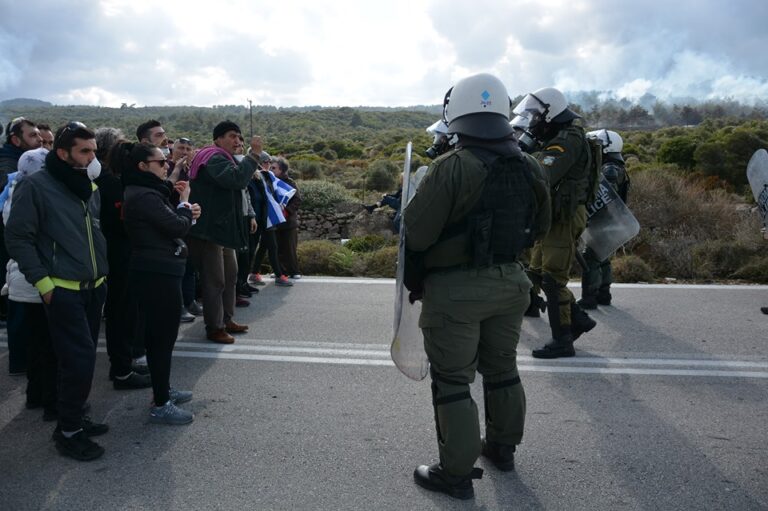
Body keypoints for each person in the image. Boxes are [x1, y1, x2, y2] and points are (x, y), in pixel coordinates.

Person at [404, 73, 550, 500]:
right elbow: (540, 227)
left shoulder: (452, 166)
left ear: (456, 113)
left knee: (452, 380)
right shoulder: (529, 164)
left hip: (457, 291)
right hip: (511, 283)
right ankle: (502, 448)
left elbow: (416, 233)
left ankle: (455, 474)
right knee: (502, 368)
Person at [6, 121, 109, 461]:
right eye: (85, 151)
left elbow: (93, 233)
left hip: (93, 287)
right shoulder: (35, 186)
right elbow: (18, 238)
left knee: (82, 359)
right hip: (61, 289)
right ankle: (68, 431)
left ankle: (75, 416)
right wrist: (44, 284)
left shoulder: (88, 186)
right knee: (77, 361)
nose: (92, 157)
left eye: (94, 150)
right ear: (62, 153)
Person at [512, 87, 597, 359]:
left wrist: (520, 155)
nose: (533, 120)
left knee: (552, 279)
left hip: (565, 216)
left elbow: (544, 172)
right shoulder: (556, 136)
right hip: (554, 215)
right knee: (537, 271)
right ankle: (579, 320)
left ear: (551, 113)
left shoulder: (568, 139)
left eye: (536, 114)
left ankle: (563, 341)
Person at [118, 141, 200, 424]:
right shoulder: (144, 196)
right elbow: (177, 226)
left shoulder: (147, 192)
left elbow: (172, 224)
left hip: (160, 269)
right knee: (161, 338)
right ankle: (161, 402)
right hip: (157, 272)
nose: (167, 165)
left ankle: (162, 390)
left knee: (161, 337)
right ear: (143, 166)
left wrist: (184, 212)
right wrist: (186, 205)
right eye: (161, 162)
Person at [187, 121, 257, 344]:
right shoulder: (214, 158)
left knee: (230, 275)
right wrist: (253, 157)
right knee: (215, 280)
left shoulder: (219, 157)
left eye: (239, 137)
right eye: (232, 136)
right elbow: (236, 180)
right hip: (210, 232)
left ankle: (226, 320)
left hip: (221, 231)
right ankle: (214, 327)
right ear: (218, 139)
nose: (237, 141)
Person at [95, 127, 154, 389]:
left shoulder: (115, 181)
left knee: (127, 312)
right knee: (120, 312)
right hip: (118, 257)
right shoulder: (111, 183)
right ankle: (121, 370)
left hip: (124, 255)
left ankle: (124, 363)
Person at [3, 147, 57, 419]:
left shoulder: (16, 188)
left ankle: (36, 394)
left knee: (38, 344)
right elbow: (27, 241)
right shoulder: (31, 193)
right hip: (35, 282)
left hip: (25, 282)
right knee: (47, 345)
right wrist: (44, 282)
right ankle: (49, 400)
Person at [579, 129, 630, 309]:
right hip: (613, 221)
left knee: (590, 258)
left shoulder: (609, 169)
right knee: (604, 257)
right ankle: (604, 294)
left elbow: (605, 195)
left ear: (606, 148)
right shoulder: (617, 166)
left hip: (605, 220)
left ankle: (589, 298)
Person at [271, 156, 302, 279]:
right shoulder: (271, 182)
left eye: (274, 168)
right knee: (277, 247)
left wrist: (287, 211)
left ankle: (294, 271)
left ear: (281, 170)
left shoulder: (290, 183)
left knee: (289, 248)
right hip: (276, 222)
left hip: (288, 222)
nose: (271, 170)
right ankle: (280, 271)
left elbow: (297, 200)